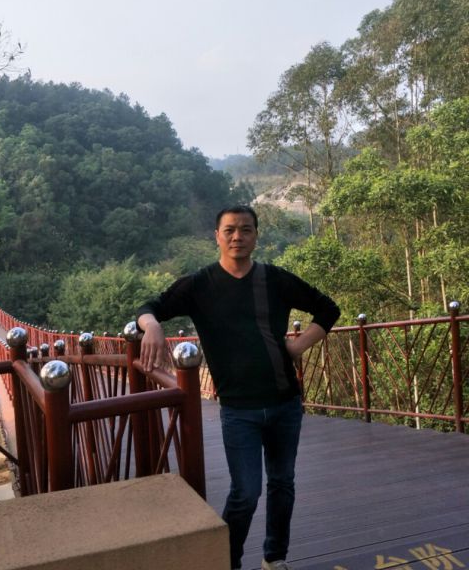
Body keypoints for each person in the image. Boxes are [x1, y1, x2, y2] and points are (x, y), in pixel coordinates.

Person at [137, 205, 340, 570]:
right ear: (217, 236)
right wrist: (151, 325)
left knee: (282, 484)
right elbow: (151, 306)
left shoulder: (273, 279)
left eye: (246, 230)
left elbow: (327, 309)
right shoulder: (200, 284)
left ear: (256, 236)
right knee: (245, 493)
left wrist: (296, 347)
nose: (237, 237)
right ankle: (227, 561)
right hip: (239, 409)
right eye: (229, 230)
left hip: (284, 402)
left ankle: (275, 557)